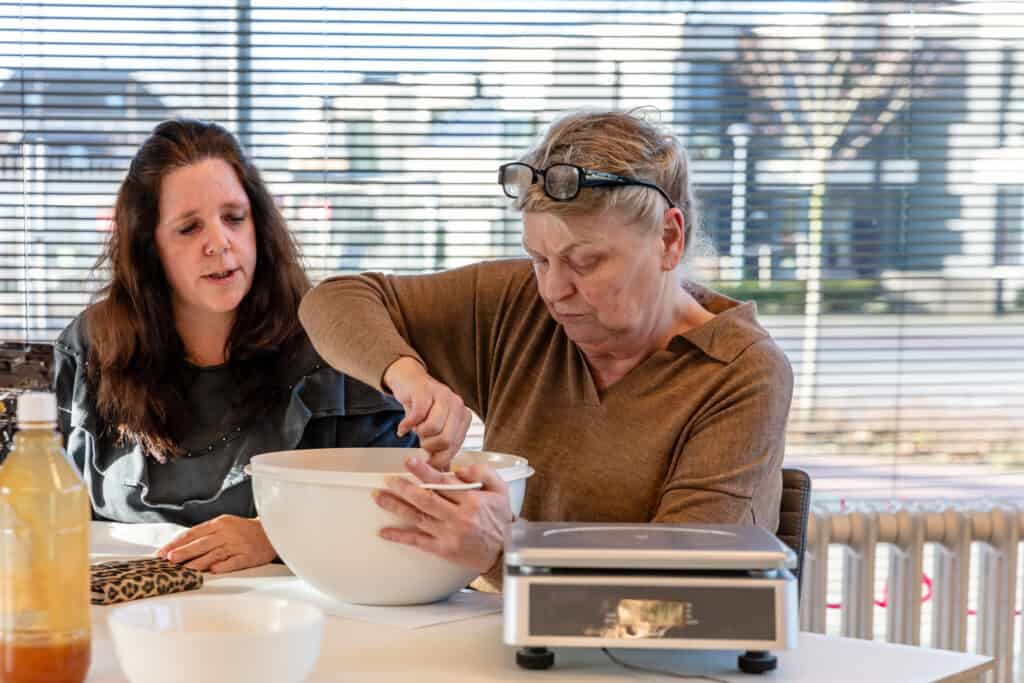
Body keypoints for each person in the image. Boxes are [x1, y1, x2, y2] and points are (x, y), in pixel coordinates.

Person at [299, 110, 793, 591]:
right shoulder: (520, 303)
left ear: (668, 238)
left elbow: (678, 587)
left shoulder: (741, 372)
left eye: (587, 262)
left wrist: (504, 548)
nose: (555, 290)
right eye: (539, 258)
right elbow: (334, 300)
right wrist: (408, 376)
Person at [54, 119, 416, 573]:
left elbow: (404, 514)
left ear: (258, 226)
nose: (219, 243)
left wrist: (276, 534)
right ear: (149, 249)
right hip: (122, 621)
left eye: (233, 218)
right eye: (189, 228)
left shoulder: (335, 345)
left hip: (296, 624)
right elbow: (37, 510)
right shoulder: (88, 347)